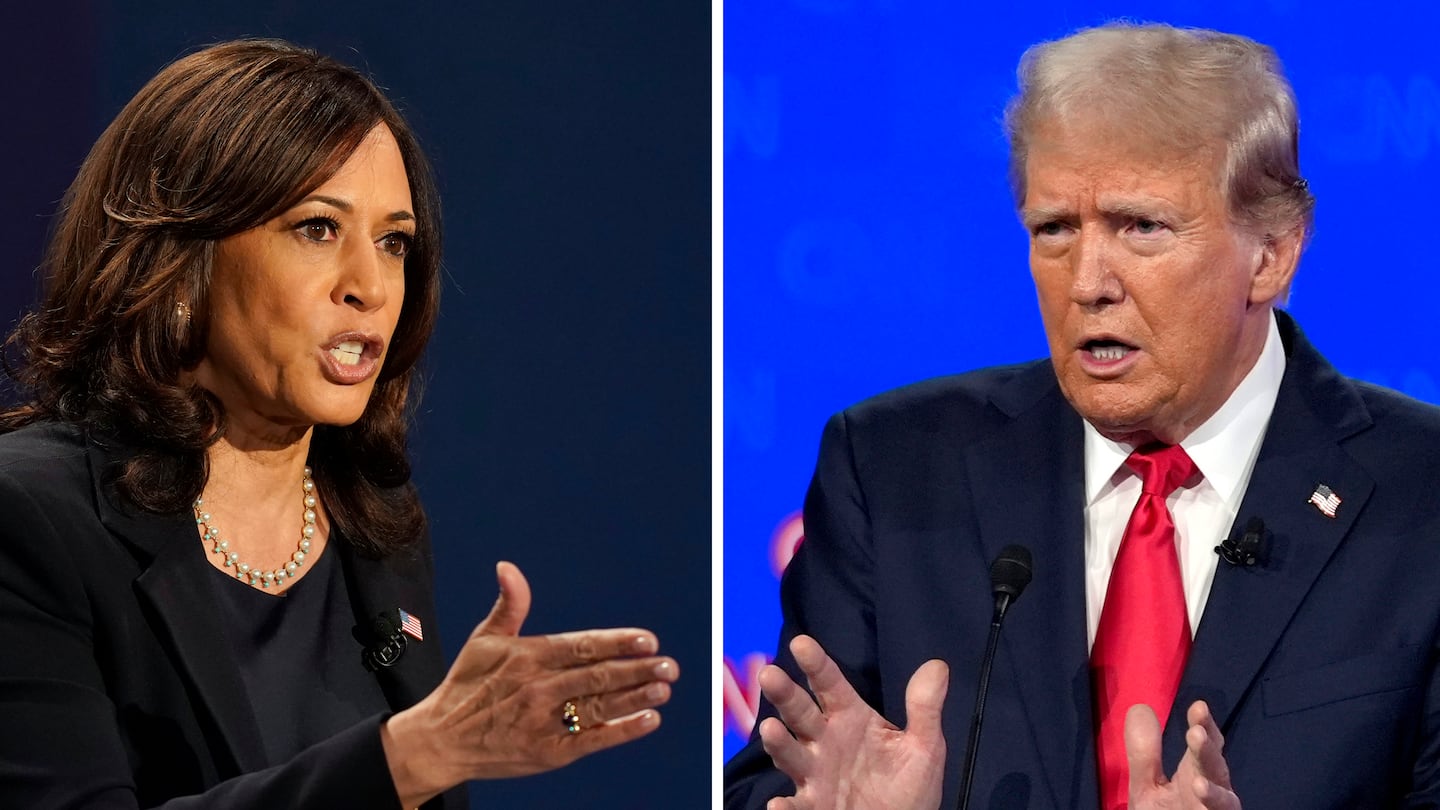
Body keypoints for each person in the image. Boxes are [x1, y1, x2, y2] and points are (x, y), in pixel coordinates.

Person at [724, 22, 1440, 810]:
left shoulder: (1423, 492)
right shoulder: (891, 468)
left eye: (1142, 226)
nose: (1088, 282)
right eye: (1055, 229)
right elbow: (784, 781)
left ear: (1270, 253)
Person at [0, 39, 679, 808]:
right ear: (182, 260)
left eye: (394, 244)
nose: (371, 286)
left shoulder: (371, 524)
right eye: (318, 229)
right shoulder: (30, 519)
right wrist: (410, 757)